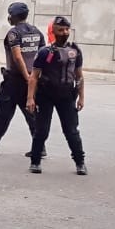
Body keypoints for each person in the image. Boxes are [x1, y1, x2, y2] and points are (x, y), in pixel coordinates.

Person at [0, 1, 45, 157]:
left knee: (3, 111)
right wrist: (34, 78)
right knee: (31, 112)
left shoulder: (14, 33)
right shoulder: (37, 32)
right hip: (32, 79)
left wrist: (26, 77)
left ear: (13, 16)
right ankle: (39, 145)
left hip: (15, 80)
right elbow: (42, 55)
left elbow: (17, 57)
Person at [27, 16, 87, 175]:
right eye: (60, 30)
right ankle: (35, 161)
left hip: (67, 95)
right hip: (46, 94)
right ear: (53, 31)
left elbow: (79, 76)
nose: (64, 33)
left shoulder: (74, 51)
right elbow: (34, 76)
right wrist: (30, 98)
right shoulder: (45, 52)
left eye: (67, 29)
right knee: (41, 130)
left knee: (71, 131)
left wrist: (81, 97)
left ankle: (80, 162)